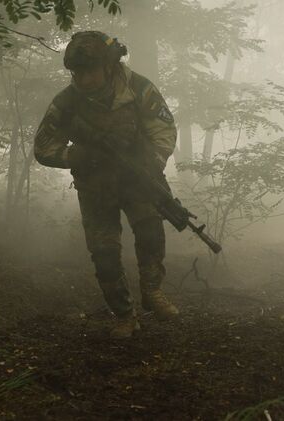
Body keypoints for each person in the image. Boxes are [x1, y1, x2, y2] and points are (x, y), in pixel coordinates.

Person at [34, 31, 179, 339]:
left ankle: (152, 290)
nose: (83, 79)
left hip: (138, 179)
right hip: (95, 187)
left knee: (151, 234)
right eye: (77, 72)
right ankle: (124, 315)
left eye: (90, 71)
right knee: (104, 254)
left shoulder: (138, 89)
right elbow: (43, 146)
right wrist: (78, 155)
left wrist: (152, 162)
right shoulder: (67, 102)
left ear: (109, 66)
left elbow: (164, 128)